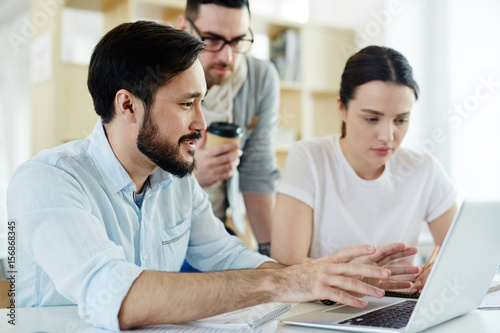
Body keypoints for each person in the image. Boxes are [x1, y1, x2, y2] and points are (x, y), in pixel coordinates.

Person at [8, 23, 420, 330]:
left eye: (201, 102)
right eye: (187, 104)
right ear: (128, 106)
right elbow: (122, 297)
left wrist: (326, 279)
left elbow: (228, 257)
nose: (202, 123)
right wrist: (289, 280)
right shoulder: (47, 182)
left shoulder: (175, 181)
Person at [271, 45, 457, 293]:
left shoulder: (424, 169)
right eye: (371, 119)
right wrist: (359, 278)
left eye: (401, 120)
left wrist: (445, 269)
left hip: (397, 305)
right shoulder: (310, 158)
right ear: (342, 108)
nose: (387, 136)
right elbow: (286, 266)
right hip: (327, 307)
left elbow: (463, 251)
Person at [178, 0, 280, 255]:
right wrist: (187, 177)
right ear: (184, 28)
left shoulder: (260, 78)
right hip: (158, 231)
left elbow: (257, 175)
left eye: (237, 41)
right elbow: (128, 176)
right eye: (211, 40)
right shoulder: (152, 72)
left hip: (214, 229)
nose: (227, 57)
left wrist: (272, 257)